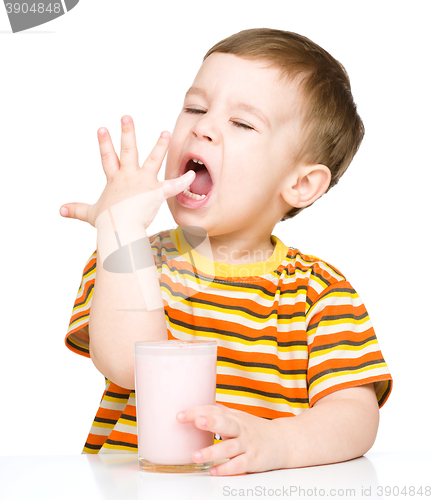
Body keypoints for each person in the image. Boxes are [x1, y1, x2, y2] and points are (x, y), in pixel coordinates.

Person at [60, 28, 392, 476]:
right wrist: (119, 227)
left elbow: (356, 416)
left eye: (242, 123)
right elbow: (126, 362)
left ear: (300, 184)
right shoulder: (132, 258)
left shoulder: (321, 294)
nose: (202, 126)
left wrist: (280, 443)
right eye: (195, 107)